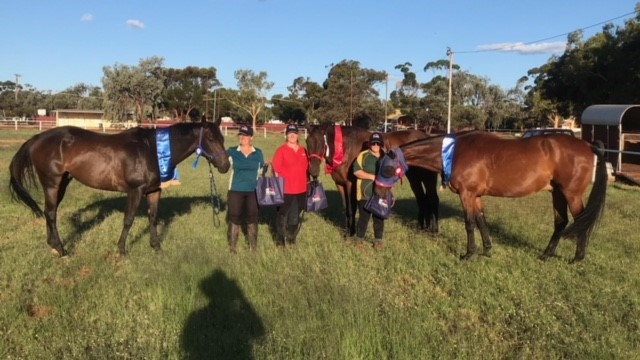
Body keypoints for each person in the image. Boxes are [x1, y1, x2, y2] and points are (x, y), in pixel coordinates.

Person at [226, 124, 265, 253]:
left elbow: (261, 171)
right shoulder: (232, 151)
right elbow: (222, 164)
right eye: (241, 135)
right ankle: (232, 249)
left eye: (245, 136)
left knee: (252, 219)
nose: (242, 138)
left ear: (251, 138)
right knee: (234, 218)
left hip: (253, 191)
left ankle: (253, 248)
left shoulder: (258, 153)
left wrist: (266, 169)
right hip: (235, 190)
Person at [271, 123, 309, 248]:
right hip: (286, 189)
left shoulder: (304, 151)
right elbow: (276, 170)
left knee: (295, 215)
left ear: (297, 135)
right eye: (290, 133)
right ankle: (280, 241)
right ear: (286, 135)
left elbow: (308, 169)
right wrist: (277, 188)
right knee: (283, 215)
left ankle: (292, 238)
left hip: (301, 189)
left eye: (294, 133)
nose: (292, 135)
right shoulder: (281, 150)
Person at [353, 132, 386, 250]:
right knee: (364, 218)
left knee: (379, 218)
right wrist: (372, 177)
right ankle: (359, 240)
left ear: (381, 144)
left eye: (378, 143)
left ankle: (378, 241)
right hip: (365, 194)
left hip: (381, 194)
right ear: (370, 144)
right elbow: (356, 171)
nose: (376, 145)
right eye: (373, 143)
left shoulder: (385, 156)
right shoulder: (363, 155)